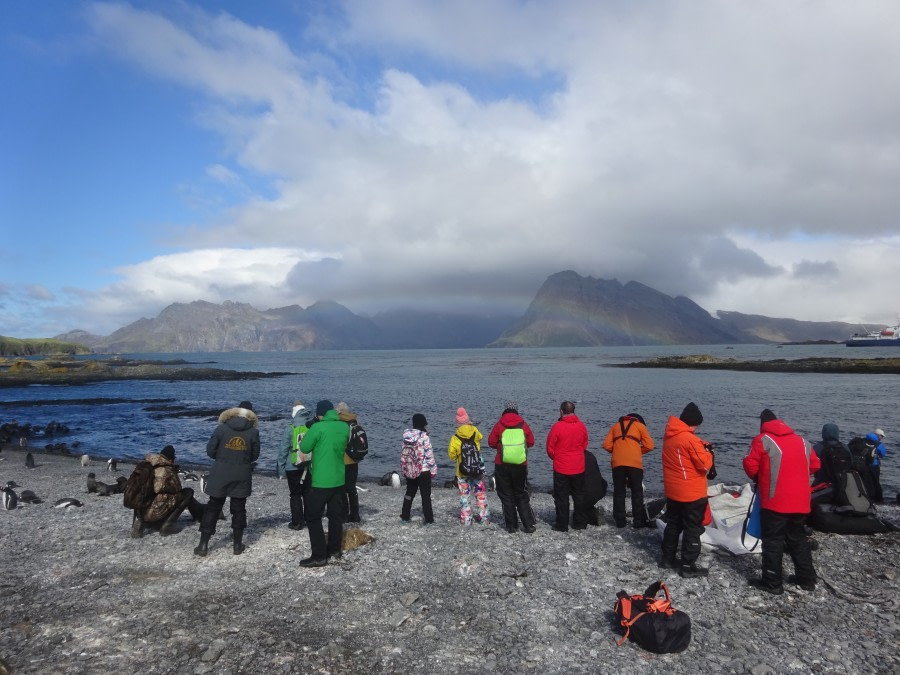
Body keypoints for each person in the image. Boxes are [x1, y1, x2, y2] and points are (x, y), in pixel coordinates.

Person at [743, 408, 821, 594]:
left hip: (775, 501)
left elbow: (750, 465)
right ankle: (806, 579)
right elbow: (816, 465)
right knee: (798, 539)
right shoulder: (802, 441)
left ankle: (772, 582)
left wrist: (761, 477)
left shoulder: (763, 440)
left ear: (762, 425)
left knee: (773, 541)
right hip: (800, 502)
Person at [194, 401, 261, 557]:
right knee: (238, 508)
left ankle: (203, 545)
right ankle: (237, 545)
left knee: (213, 507)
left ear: (235, 412)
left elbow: (210, 451)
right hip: (242, 473)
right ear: (251, 415)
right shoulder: (253, 432)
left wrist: (223, 457)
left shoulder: (222, 428)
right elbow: (255, 456)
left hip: (221, 472)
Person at [660, 402, 713, 578]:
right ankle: (687, 566)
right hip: (691, 491)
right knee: (692, 528)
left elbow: (683, 456)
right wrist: (707, 452)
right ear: (695, 423)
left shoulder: (670, 436)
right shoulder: (690, 439)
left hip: (674, 490)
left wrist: (700, 446)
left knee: (673, 524)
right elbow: (704, 465)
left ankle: (667, 559)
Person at [298, 400, 350, 567]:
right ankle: (334, 550)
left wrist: (314, 428)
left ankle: (319, 555)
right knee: (335, 516)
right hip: (339, 478)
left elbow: (305, 448)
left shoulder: (317, 427)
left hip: (320, 480)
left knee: (313, 517)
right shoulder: (344, 427)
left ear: (319, 414)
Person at [131, 445, 206, 538]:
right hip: (155, 509)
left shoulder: (146, 465)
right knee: (187, 493)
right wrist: (174, 469)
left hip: (140, 508)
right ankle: (167, 526)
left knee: (154, 496)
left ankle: (144, 522)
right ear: (171, 458)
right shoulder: (166, 469)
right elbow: (177, 488)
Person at [487, 401, 537, 534]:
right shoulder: (523, 424)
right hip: (520, 464)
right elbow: (531, 442)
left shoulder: (499, 424)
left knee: (506, 494)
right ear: (516, 410)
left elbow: (491, 442)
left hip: (502, 464)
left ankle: (511, 526)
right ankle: (528, 524)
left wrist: (501, 447)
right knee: (521, 493)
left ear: (505, 410)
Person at [602, 412, 655, 528]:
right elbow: (650, 445)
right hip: (635, 464)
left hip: (617, 463)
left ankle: (620, 521)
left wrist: (617, 451)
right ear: (638, 420)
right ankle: (638, 521)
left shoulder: (615, 426)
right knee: (637, 492)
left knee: (619, 492)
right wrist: (637, 451)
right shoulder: (640, 426)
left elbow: (606, 445)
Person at [546, 400, 589, 532]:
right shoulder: (581, 426)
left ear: (561, 411)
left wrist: (557, 457)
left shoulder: (557, 426)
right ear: (573, 411)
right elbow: (584, 444)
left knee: (561, 496)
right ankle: (580, 522)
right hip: (578, 466)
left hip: (562, 467)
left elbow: (550, 447)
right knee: (579, 495)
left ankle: (562, 524)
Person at [448, 407, 489, 525]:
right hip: (477, 468)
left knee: (464, 496)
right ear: (467, 420)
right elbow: (481, 438)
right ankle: (484, 518)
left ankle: (466, 519)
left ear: (458, 423)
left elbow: (451, 455)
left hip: (462, 470)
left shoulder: (455, 437)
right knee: (480, 493)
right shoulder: (475, 431)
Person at [277, 400, 309, 530]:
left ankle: (297, 522)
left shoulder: (290, 428)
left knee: (295, 495)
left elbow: (283, 450)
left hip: (292, 466)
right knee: (307, 493)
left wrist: (281, 470)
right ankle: (309, 518)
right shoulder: (310, 426)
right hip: (307, 465)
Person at [400, 413, 437, 523]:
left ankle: (405, 516)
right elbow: (429, 456)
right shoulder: (424, 437)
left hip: (410, 468)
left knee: (409, 493)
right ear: (423, 424)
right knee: (425, 496)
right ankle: (429, 520)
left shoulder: (406, 436)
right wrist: (433, 470)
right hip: (423, 470)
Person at [336, 402, 363, 523]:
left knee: (342, 489)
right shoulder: (354, 421)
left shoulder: (339, 423)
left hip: (343, 460)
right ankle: (355, 514)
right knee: (352, 488)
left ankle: (344, 514)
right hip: (354, 459)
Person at [812, 423, 851, 490]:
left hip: (821, 483)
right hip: (842, 484)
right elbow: (851, 463)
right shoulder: (845, 447)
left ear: (823, 433)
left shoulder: (816, 447)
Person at [582, 449, 608, 526]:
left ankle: (593, 517)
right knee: (585, 504)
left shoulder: (574, 456)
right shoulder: (590, 455)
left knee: (579, 514)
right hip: (599, 489)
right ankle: (593, 511)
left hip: (585, 491)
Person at [868, 429, 887, 503]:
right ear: (878, 435)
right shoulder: (879, 444)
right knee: (875, 482)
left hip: (864, 465)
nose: (882, 438)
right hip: (874, 466)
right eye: (881, 436)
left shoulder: (864, 440)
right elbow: (882, 454)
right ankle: (878, 500)